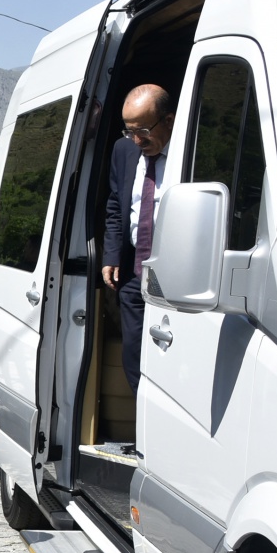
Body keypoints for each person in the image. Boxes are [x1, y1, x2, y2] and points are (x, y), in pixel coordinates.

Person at [101, 84, 175, 394]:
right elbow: (116, 206)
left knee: (171, 359)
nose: (136, 139)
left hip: (177, 277)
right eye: (130, 130)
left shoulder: (194, 152)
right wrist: (111, 256)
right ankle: (141, 422)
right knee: (134, 354)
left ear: (169, 121)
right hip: (135, 273)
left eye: (143, 130)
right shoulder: (124, 150)